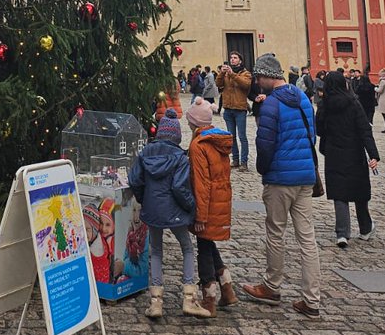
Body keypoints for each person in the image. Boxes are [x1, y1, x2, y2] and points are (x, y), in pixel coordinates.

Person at [241, 53, 322, 319]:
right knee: (307, 238)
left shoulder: (271, 106)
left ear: (266, 76)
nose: (257, 82)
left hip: (280, 178)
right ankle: (311, 299)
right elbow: (311, 134)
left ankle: (272, 287)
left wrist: (264, 169)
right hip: (305, 177)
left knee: (275, 233)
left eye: (258, 77)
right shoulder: (302, 99)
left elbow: (265, 145)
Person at [127, 108, 207, 318]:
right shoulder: (180, 157)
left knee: (155, 251)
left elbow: (134, 180)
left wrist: (145, 199)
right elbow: (180, 188)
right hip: (175, 211)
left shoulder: (145, 152)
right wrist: (191, 206)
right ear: (177, 136)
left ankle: (156, 302)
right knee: (187, 248)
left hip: (153, 210)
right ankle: (189, 298)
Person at [315, 70, 380, 247]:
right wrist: (373, 154)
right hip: (354, 152)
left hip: (334, 152)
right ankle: (365, 228)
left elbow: (319, 130)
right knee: (359, 192)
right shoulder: (353, 103)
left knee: (339, 193)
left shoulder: (324, 105)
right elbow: (364, 129)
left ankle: (342, 233)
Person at [187, 98, 238, 316]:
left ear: (195, 124)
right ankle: (227, 289)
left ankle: (209, 299)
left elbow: (201, 184)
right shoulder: (219, 141)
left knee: (203, 250)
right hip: (221, 201)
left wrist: (199, 216)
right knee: (207, 243)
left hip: (206, 205)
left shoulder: (198, 146)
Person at [216, 52, 252, 171]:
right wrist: (222, 73)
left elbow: (246, 85)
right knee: (231, 137)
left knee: (242, 136)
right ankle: (235, 160)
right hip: (228, 109)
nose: (232, 60)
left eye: (235, 58)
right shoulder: (226, 74)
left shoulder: (246, 73)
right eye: (231, 58)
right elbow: (218, 84)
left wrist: (233, 75)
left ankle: (244, 162)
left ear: (240, 60)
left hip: (240, 108)